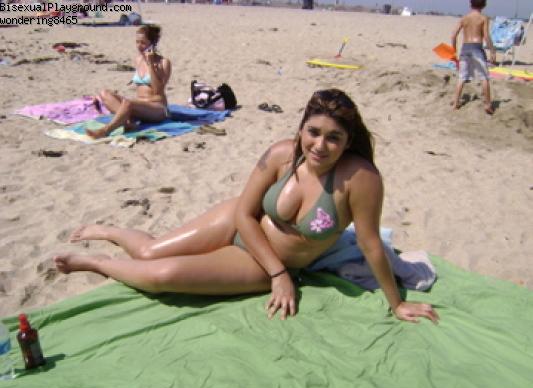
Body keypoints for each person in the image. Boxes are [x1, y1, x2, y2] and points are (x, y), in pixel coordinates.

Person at [55, 89, 439, 324]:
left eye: (334, 138)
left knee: (161, 276)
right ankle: (109, 231)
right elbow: (243, 212)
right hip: (239, 224)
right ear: (302, 128)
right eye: (313, 132)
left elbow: (371, 244)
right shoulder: (281, 154)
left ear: (348, 141)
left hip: (259, 262)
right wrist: (279, 274)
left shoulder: (360, 179)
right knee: (149, 251)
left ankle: (97, 263)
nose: (320, 146)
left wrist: (396, 304)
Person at [86, 24, 172, 139]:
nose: (139, 46)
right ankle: (127, 122)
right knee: (104, 93)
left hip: (157, 107)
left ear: (152, 43)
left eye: (143, 43)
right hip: (138, 105)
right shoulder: (138, 60)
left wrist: (151, 64)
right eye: (137, 42)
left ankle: (106, 130)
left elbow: (158, 91)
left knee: (128, 103)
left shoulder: (163, 62)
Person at [451, 0, 496, 114]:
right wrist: (492, 51)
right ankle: (487, 104)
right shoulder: (484, 18)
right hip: (477, 48)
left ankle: (455, 103)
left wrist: (454, 50)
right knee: (484, 77)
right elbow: (486, 36)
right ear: (484, 5)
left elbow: (453, 35)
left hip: (465, 48)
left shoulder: (464, 18)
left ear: (470, 4)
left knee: (462, 77)